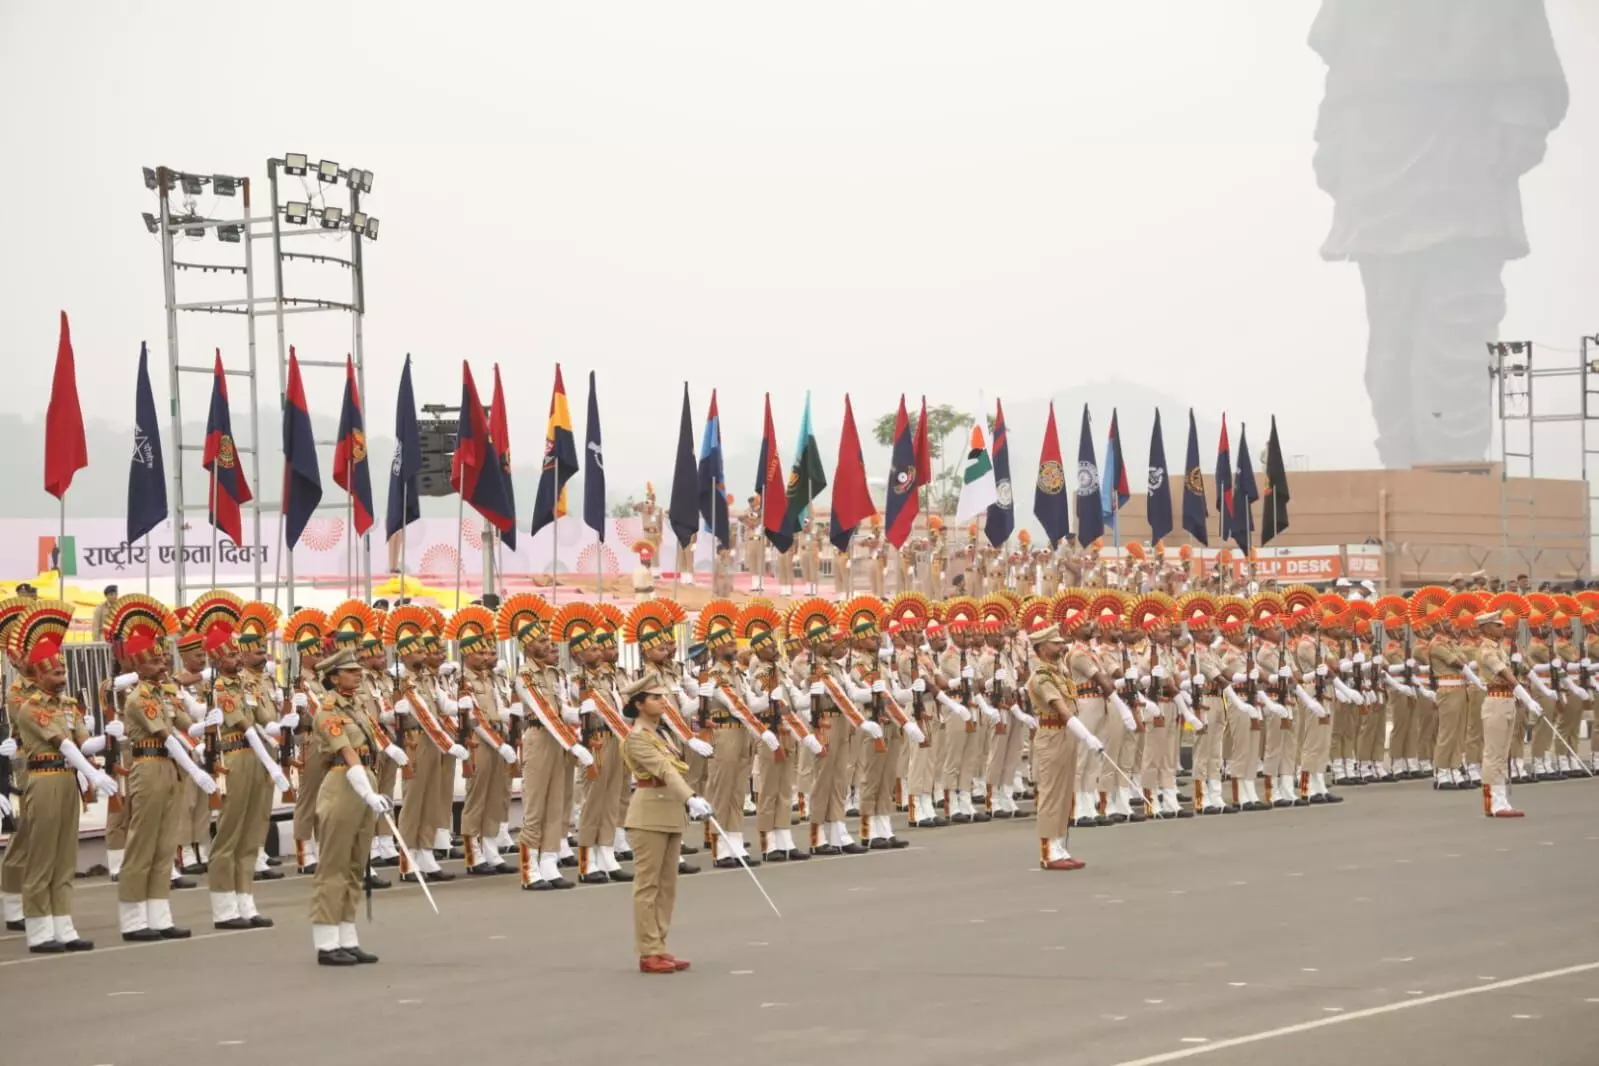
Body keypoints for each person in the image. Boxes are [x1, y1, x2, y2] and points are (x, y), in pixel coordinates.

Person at [10, 599, 117, 952]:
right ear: (38, 676)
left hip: (68, 780)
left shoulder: (68, 706)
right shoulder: (31, 706)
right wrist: (93, 776)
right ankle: (39, 928)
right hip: (43, 780)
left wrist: (114, 735)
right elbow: (63, 744)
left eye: (63, 672)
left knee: (64, 855)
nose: (62, 678)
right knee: (42, 855)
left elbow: (82, 745)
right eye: (55, 674)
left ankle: (63, 924)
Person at [110, 596, 218, 941]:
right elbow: (166, 735)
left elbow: (186, 726)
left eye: (162, 659)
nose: (161, 665)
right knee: (143, 842)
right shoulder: (139, 696)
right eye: (154, 661)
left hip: (171, 768)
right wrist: (195, 766)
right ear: (138, 667)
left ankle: (158, 914)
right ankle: (132, 919)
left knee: (164, 842)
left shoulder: (167, 693)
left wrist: (208, 726)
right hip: (150, 765)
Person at [618, 675, 714, 974]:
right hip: (648, 815)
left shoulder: (661, 734)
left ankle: (659, 945)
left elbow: (675, 769)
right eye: (655, 698)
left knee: (667, 886)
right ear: (639, 704)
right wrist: (690, 797)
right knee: (648, 886)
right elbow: (663, 770)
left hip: (669, 813)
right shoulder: (637, 737)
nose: (663, 701)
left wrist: (688, 799)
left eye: (663, 696)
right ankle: (648, 951)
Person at [309, 646, 397, 965]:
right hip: (344, 785)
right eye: (351, 671)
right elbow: (346, 752)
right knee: (333, 866)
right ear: (334, 677)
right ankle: (326, 941)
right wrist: (366, 791)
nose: (358, 674)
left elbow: (371, 743)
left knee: (355, 866)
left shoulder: (356, 706)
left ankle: (347, 935)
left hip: (364, 782)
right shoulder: (328, 710)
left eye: (359, 670)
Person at [500, 593, 592, 890]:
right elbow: (543, 712)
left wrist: (580, 714)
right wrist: (574, 744)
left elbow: (563, 709)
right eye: (540, 640)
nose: (547, 644)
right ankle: (530, 870)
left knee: (557, 804)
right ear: (526, 645)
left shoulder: (556, 674)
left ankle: (549, 863)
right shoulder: (524, 676)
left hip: (560, 742)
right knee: (536, 805)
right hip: (540, 737)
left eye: (547, 639)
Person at [448, 605, 518, 876]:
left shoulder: (495, 679)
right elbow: (474, 717)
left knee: (496, 797)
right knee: (477, 799)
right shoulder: (461, 680)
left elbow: (501, 708)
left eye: (490, 652)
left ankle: (490, 848)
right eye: (480, 652)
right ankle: (473, 854)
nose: (487, 657)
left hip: (501, 742)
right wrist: (498, 740)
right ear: (466, 652)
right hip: (480, 744)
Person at [1024, 621, 1097, 870]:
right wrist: (1086, 735)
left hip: (1066, 734)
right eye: (1055, 644)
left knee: (1065, 793)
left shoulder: (1059, 671)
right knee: (1051, 794)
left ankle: (1059, 845)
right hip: (1052, 733)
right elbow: (1061, 709)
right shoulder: (1042, 676)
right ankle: (1048, 850)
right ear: (1042, 648)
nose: (1061, 647)